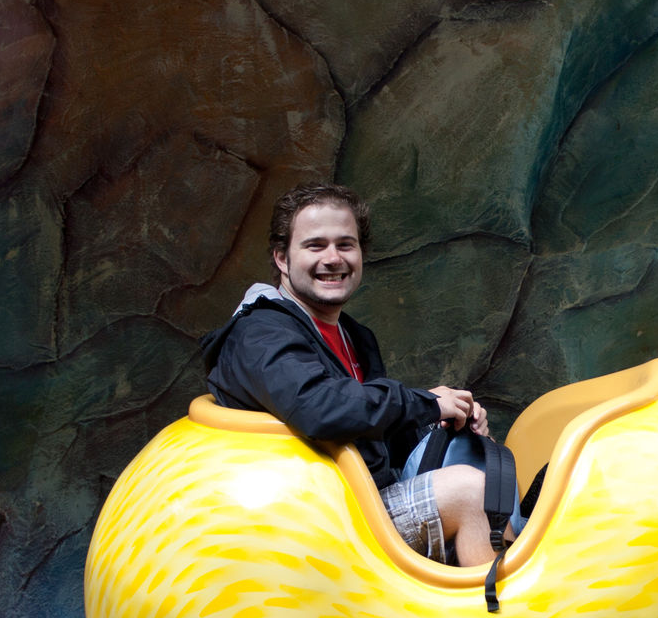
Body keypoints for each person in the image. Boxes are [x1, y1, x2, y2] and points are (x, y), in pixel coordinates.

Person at [200, 183, 504, 566]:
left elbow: (370, 433)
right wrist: (424, 403)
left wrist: (448, 417)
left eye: (345, 245)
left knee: (481, 463)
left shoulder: (354, 336)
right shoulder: (259, 333)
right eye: (315, 246)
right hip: (308, 527)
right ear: (282, 258)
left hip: (354, 499)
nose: (333, 258)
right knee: (470, 491)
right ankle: (497, 604)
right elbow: (320, 408)